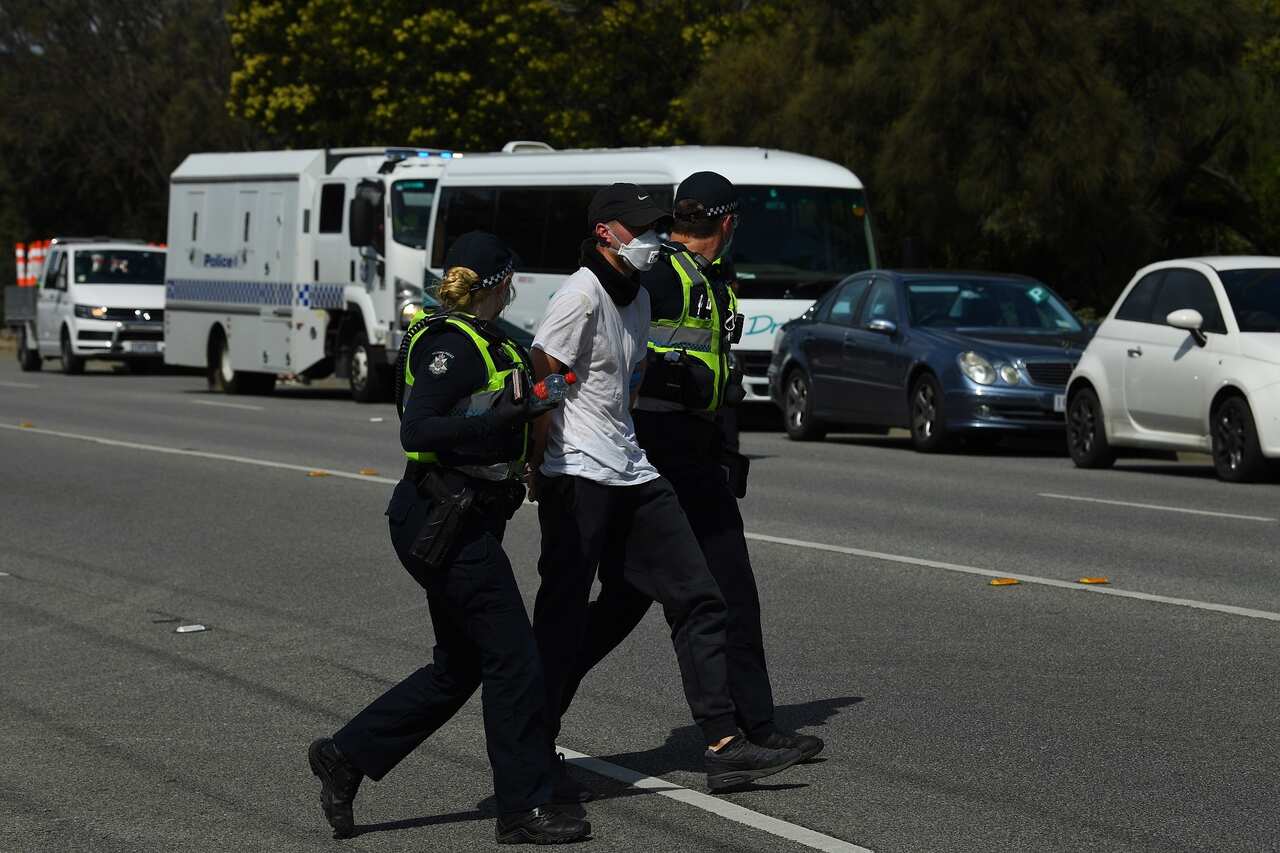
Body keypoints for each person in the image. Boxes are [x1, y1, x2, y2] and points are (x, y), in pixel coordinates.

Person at [307, 232, 591, 846]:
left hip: (461, 518)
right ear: (497, 283)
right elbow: (417, 430)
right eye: (510, 278)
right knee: (514, 660)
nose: (515, 287)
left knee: (459, 666)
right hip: (442, 521)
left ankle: (345, 755)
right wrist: (503, 418)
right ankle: (523, 808)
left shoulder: (490, 339)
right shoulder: (448, 344)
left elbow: (503, 401)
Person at [528, 184, 804, 795]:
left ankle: (727, 742)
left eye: (661, 226)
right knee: (570, 616)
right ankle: (528, 740)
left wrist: (718, 443)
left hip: (638, 465)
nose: (656, 239)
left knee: (701, 597)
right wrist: (537, 462)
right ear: (608, 232)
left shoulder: (636, 298)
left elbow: (657, 376)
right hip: (585, 472)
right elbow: (541, 373)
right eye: (643, 228)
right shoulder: (582, 292)